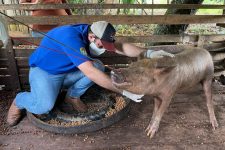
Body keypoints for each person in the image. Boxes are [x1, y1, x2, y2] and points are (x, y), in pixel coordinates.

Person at [7, 21, 174, 126]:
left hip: (70, 70)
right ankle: (19, 101)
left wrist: (150, 53)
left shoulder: (92, 31)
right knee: (44, 106)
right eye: (102, 46)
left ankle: (72, 96)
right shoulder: (70, 38)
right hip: (45, 72)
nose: (104, 49)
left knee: (99, 66)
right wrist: (123, 91)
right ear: (92, 37)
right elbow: (91, 73)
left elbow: (121, 47)